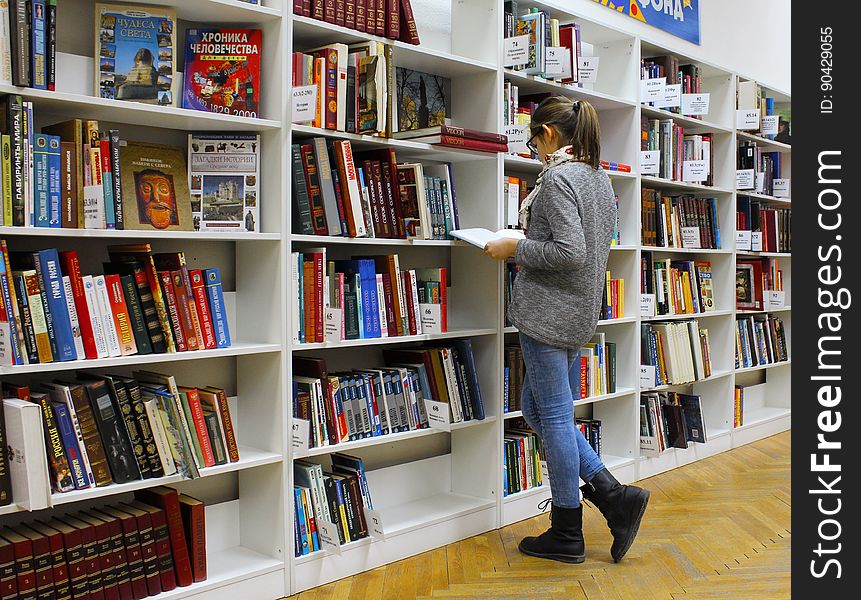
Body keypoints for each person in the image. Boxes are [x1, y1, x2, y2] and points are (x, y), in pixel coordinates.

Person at [485, 96, 649, 564]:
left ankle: (567, 530)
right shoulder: (598, 178)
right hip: (577, 313)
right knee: (535, 409)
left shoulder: (558, 179)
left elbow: (569, 253)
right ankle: (613, 494)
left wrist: (515, 247)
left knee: (553, 417)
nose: (533, 148)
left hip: (548, 314)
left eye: (533, 138)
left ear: (550, 135)